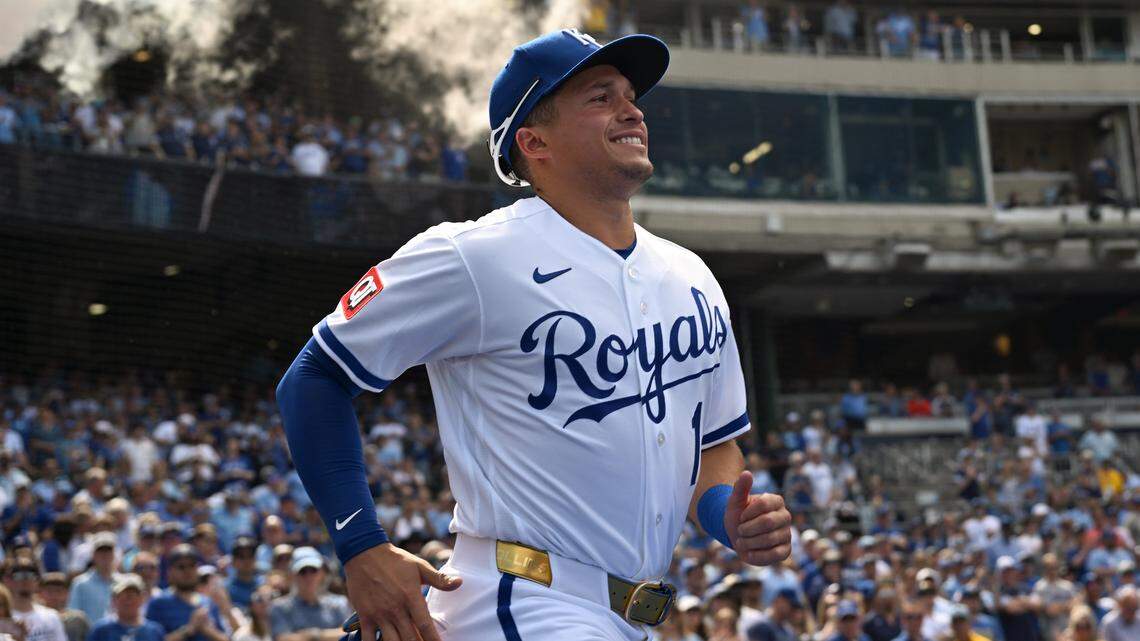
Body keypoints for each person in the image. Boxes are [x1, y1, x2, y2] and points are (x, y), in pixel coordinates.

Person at [275, 27, 792, 641]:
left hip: (635, 615)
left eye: (630, 95)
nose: (631, 110)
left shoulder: (691, 276)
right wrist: (361, 546)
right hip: (523, 598)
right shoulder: (474, 255)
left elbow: (712, 450)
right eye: (600, 97)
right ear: (533, 141)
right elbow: (313, 376)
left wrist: (726, 517)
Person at [143, 544, 227, 641]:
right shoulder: (158, 603)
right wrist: (189, 629)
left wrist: (207, 630)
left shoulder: (208, 603)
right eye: (181, 567)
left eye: (192, 566)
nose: (188, 571)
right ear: (170, 571)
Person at [267, 549, 351, 641]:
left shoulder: (339, 603)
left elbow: (348, 635)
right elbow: (283, 639)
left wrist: (313, 635)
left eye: (313, 570)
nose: (309, 576)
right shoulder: (279, 607)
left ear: (322, 573)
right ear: (292, 575)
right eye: (303, 571)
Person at [87, 575, 164, 641]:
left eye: (132, 596)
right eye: (123, 596)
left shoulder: (154, 631)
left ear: (142, 598)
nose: (128, 601)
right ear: (114, 599)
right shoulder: (100, 630)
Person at [4, 559, 66, 641]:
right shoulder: (4, 621)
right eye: (18, 575)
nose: (25, 580)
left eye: (30, 575)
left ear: (37, 581)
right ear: (8, 581)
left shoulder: (52, 616)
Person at [66, 532, 117, 623]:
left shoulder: (123, 582)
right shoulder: (80, 583)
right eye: (100, 551)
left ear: (114, 554)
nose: (104, 555)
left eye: (108, 550)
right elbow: (73, 616)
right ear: (93, 555)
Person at [36, 574, 88, 641]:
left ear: (67, 593)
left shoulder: (78, 619)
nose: (54, 595)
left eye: (59, 591)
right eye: (49, 591)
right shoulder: (35, 617)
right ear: (40, 593)